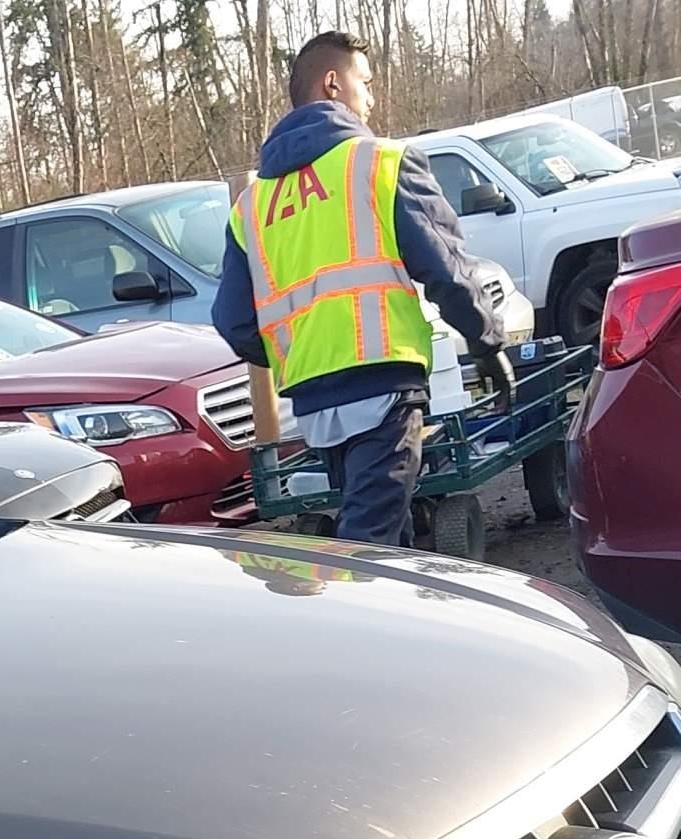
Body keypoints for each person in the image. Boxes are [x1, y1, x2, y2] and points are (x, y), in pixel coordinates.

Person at [213, 31, 513, 547]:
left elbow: (235, 320)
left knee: (383, 538)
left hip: (314, 403)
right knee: (369, 552)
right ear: (333, 84)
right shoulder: (380, 163)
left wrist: (305, 348)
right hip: (384, 387)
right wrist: (487, 344)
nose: (371, 100)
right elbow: (447, 269)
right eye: (365, 83)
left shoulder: (253, 205)